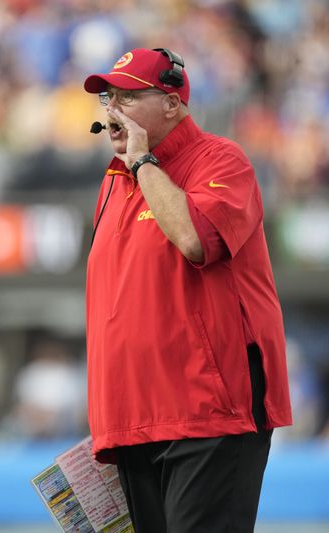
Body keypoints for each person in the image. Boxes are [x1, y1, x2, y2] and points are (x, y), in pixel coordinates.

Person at [83, 48, 293, 532]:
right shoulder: (113, 183)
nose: (113, 110)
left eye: (129, 97)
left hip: (208, 415)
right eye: (108, 99)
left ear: (173, 103)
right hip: (131, 420)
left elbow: (196, 240)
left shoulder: (221, 158)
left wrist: (142, 162)